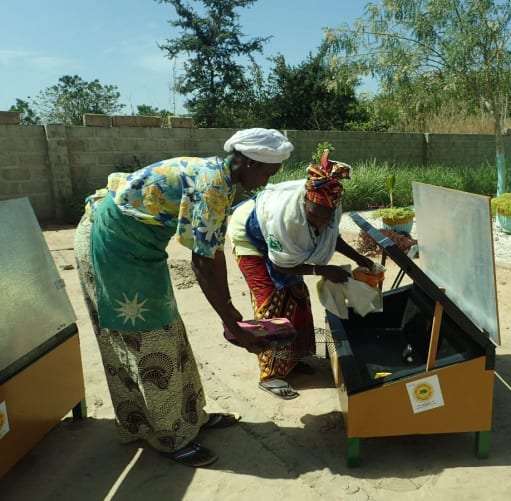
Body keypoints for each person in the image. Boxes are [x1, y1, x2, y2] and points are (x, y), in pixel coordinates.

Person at [73, 128, 294, 467]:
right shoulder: (212, 186)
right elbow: (202, 262)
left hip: (139, 248)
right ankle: (168, 436)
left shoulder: (222, 180)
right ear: (249, 162)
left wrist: (232, 313)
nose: (266, 181)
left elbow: (213, 252)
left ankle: (190, 418)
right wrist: (233, 325)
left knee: (169, 331)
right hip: (113, 244)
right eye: (267, 172)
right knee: (148, 341)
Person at [228, 149, 375, 400]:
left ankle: (291, 360)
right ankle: (270, 374)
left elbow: (331, 236)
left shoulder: (328, 208)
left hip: (279, 243)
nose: (319, 221)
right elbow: (281, 267)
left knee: (297, 298)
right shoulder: (288, 219)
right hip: (250, 239)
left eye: (325, 216)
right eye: (313, 214)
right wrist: (321, 269)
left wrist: (360, 259)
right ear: (304, 202)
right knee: (271, 302)